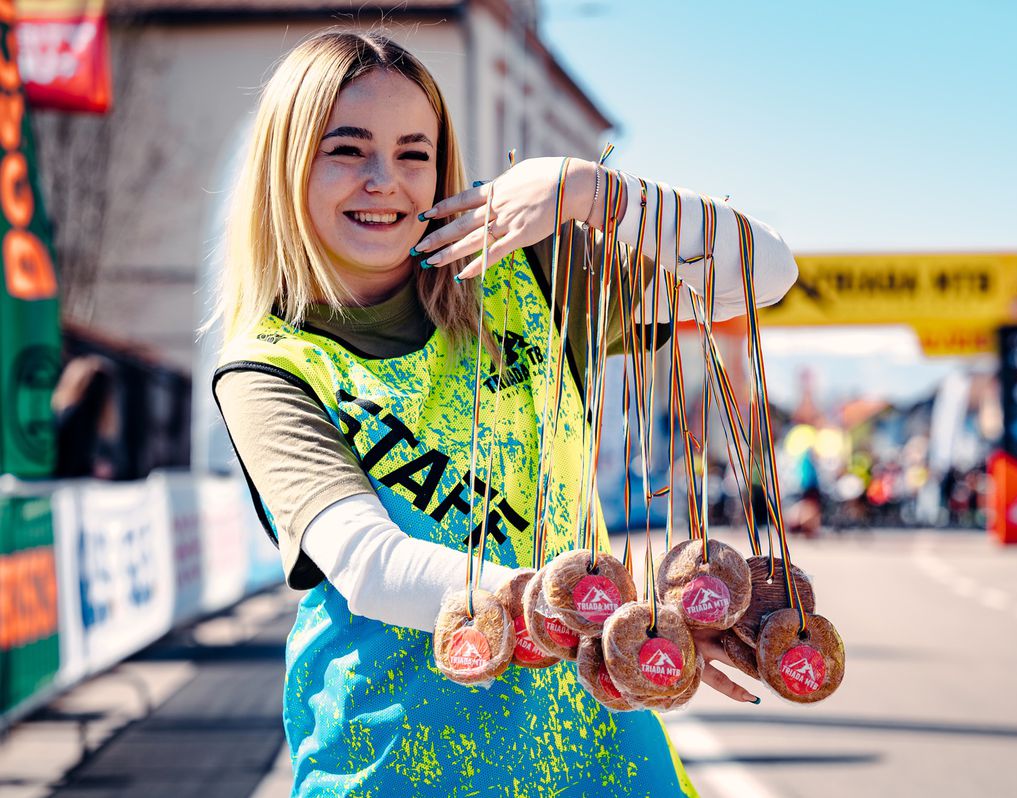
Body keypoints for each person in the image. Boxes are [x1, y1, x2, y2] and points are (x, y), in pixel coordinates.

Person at [212, 30, 798, 797]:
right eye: (346, 150)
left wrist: (589, 191)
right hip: (397, 761)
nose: (385, 181)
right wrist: (592, 613)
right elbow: (369, 565)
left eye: (414, 153)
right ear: (288, 167)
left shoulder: (528, 277)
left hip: (599, 749)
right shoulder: (269, 367)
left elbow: (764, 275)